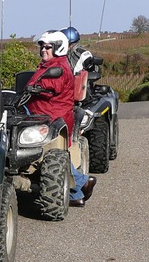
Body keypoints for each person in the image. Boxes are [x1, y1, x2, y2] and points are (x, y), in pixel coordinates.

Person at [24, 30, 96, 207]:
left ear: (58, 48)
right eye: (41, 46)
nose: (43, 50)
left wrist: (36, 88)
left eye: (48, 47)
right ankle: (76, 195)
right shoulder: (50, 65)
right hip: (43, 114)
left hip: (51, 118)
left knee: (47, 155)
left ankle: (82, 182)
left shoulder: (59, 68)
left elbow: (49, 85)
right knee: (53, 157)